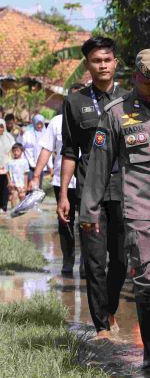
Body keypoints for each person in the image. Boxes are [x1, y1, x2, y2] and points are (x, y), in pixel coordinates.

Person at [80, 49, 150, 372]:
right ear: (138, 77)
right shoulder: (116, 113)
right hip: (140, 208)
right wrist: (89, 210)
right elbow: (99, 165)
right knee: (148, 278)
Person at [58, 36, 128, 340]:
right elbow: (70, 151)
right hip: (89, 193)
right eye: (96, 60)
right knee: (95, 260)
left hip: (125, 191)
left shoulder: (130, 100)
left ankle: (110, 307)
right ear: (88, 64)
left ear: (115, 62)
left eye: (107, 59)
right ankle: (101, 325)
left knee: (122, 260)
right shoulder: (74, 102)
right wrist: (64, 193)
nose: (103, 65)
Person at [29, 114, 80, 275]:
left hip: (88, 180)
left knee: (88, 221)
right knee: (65, 222)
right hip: (62, 181)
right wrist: (36, 175)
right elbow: (47, 148)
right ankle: (68, 258)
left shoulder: (94, 115)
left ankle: (87, 261)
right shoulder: (57, 122)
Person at [22, 114, 51, 178]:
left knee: (39, 186)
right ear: (34, 123)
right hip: (29, 166)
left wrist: (50, 167)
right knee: (30, 185)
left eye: (41, 124)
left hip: (41, 167)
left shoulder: (46, 134)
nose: (39, 126)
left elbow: (48, 151)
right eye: (37, 123)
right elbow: (22, 147)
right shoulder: (27, 134)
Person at [6, 143, 28, 208]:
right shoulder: (10, 162)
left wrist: (26, 185)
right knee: (14, 196)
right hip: (13, 183)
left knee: (22, 196)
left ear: (22, 151)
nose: (15, 153)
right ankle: (13, 210)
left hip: (21, 183)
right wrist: (9, 182)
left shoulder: (24, 161)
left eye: (18, 151)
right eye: (14, 151)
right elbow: (7, 172)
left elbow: (25, 174)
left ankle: (22, 210)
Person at [0, 120, 15, 213]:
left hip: (6, 167)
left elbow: (12, 152)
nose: (0, 129)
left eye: (1, 126)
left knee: (5, 188)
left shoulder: (9, 137)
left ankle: (4, 207)